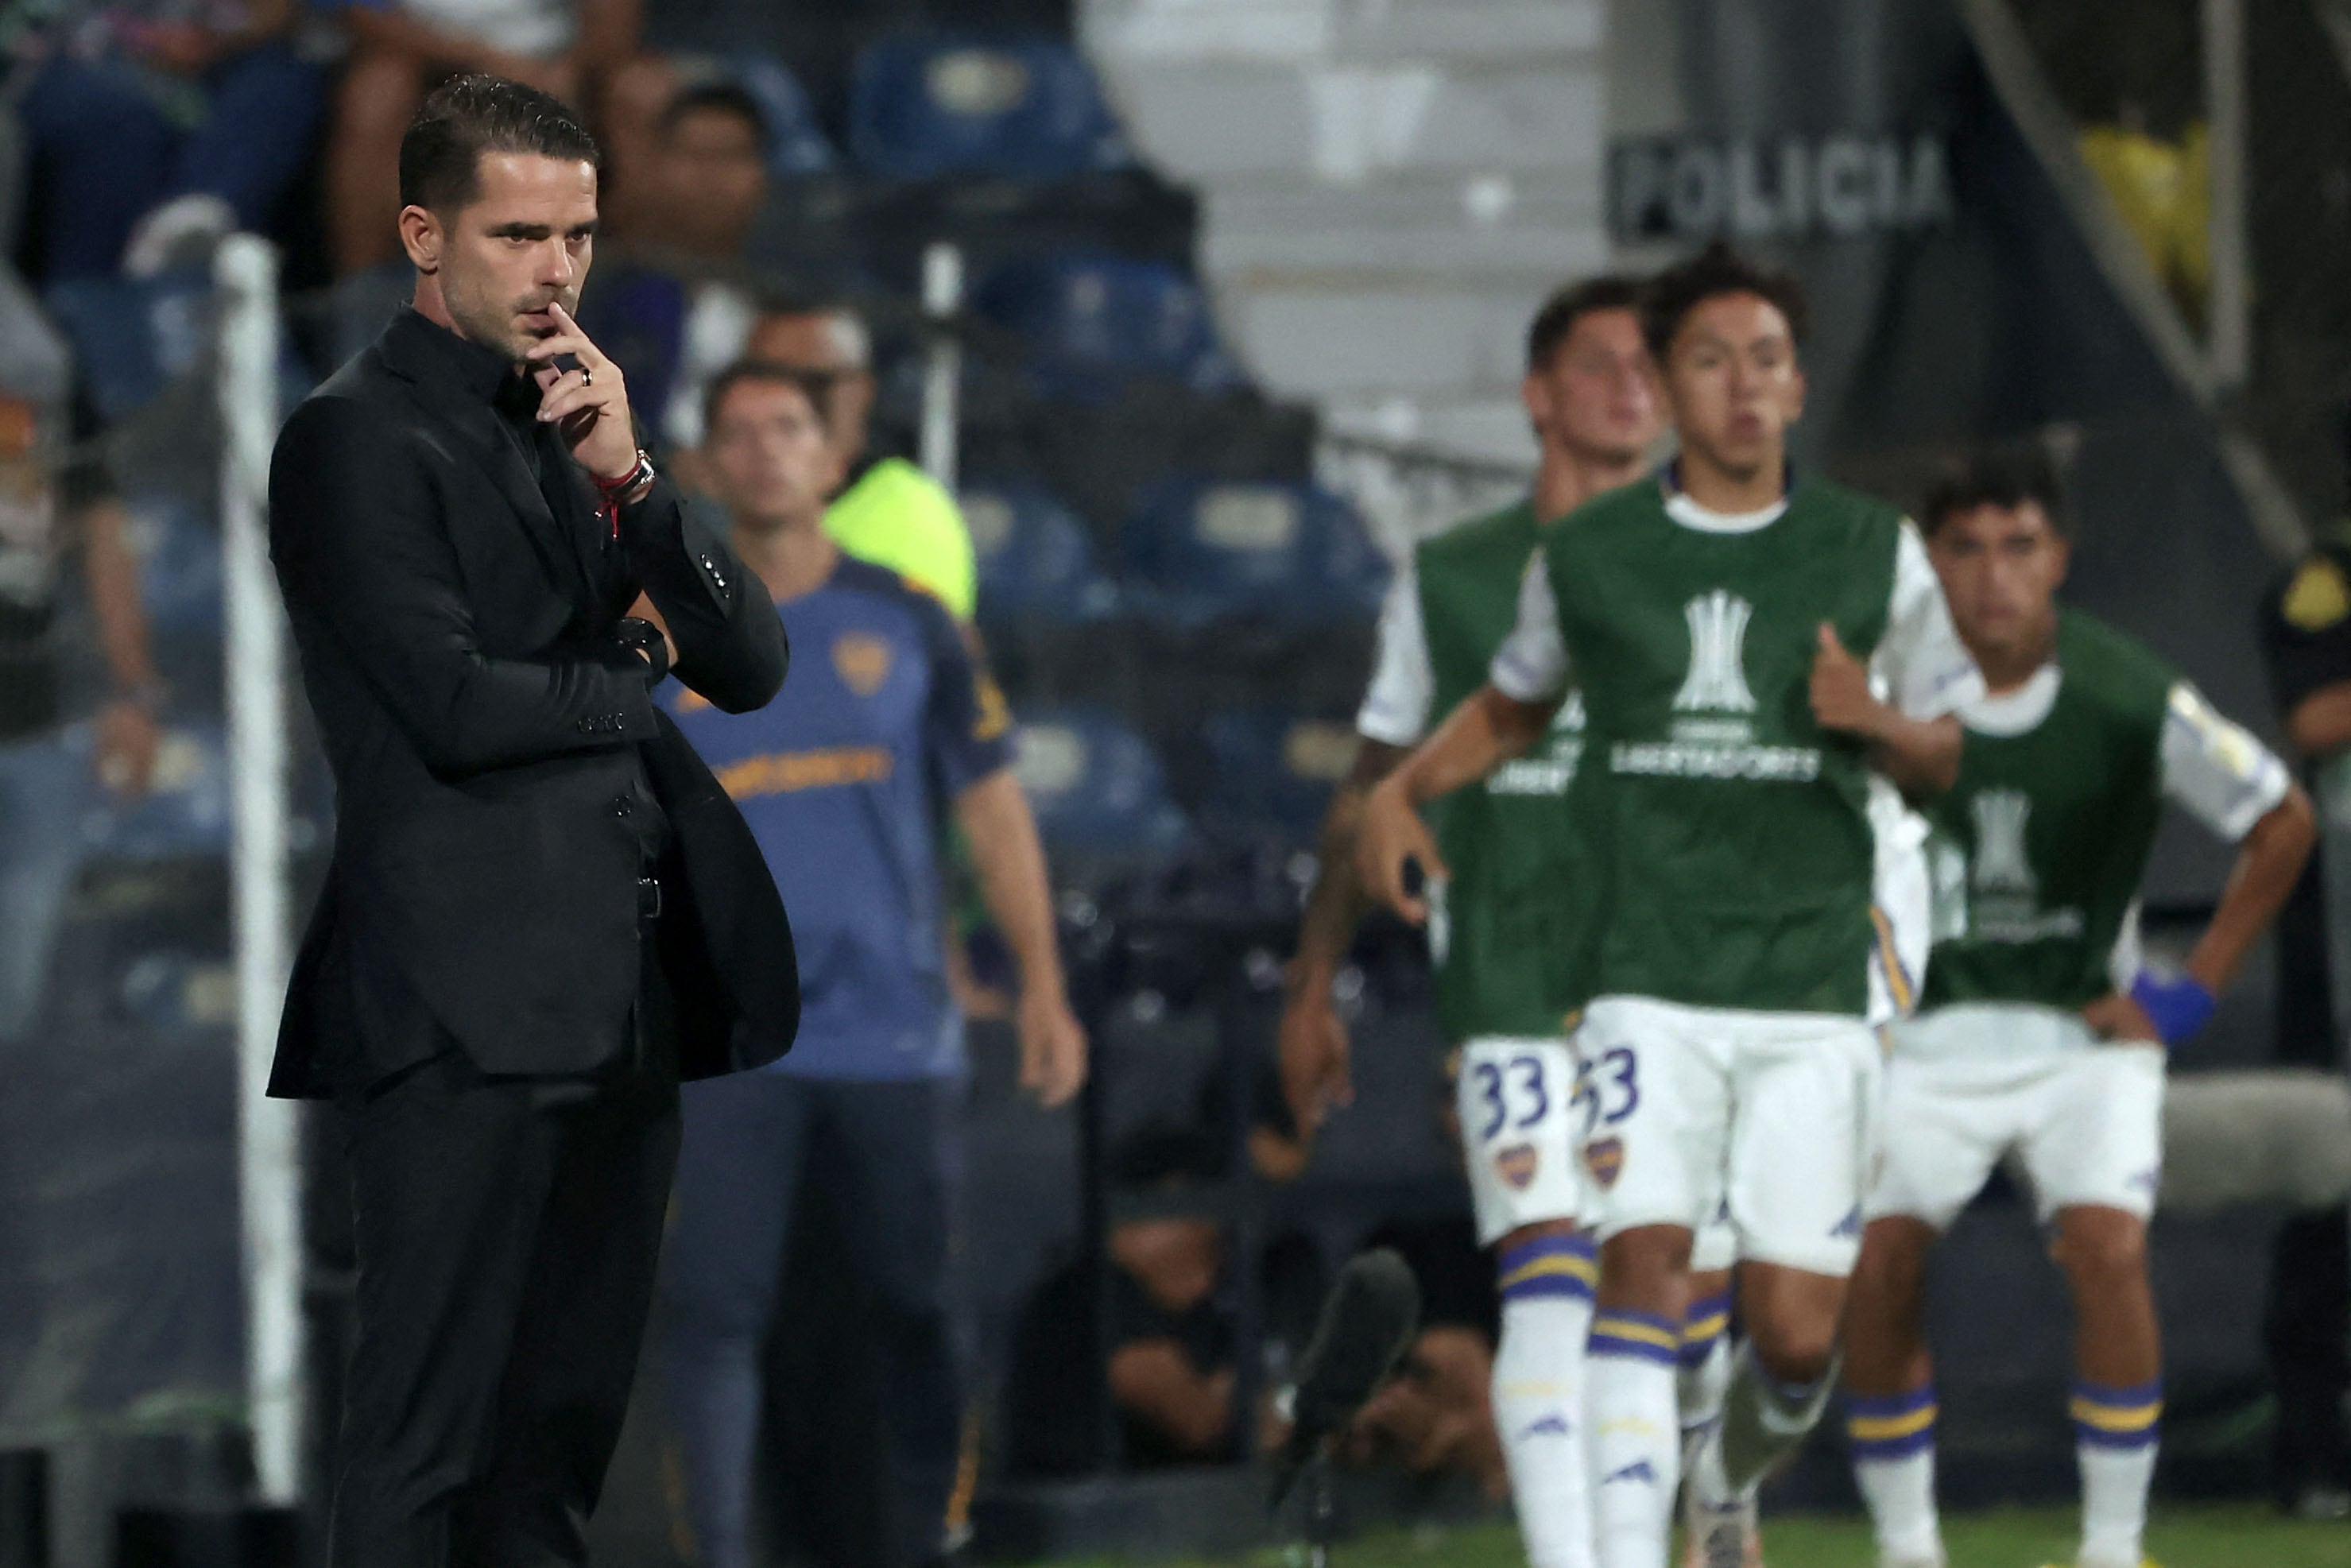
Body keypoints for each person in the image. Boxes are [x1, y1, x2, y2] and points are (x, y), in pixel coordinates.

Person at [1356, 243, 1983, 1568]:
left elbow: (1946, 748)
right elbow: (1515, 702)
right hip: (1638, 970)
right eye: (1709, 360)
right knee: (1635, 1271)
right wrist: (1402, 789)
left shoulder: (1875, 550)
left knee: (1795, 1335)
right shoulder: (1587, 557)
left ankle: (1729, 1476)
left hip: (1811, 975)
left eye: (1765, 358)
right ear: (1670, 388)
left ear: (1798, 386)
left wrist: (1877, 721)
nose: (1743, 385)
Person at [264, 75, 793, 1567]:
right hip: (457, 1003)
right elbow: (450, 704)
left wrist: (630, 475)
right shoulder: (353, 439)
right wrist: (633, 669)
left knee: (554, 1449)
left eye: (576, 234)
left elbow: (750, 665)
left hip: (616, 1005)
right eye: (519, 234)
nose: (558, 270)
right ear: (425, 235)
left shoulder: (575, 430)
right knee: (426, 1442)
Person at [1841, 448, 2314, 1568]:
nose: (1992, 576)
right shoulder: (1880, 692)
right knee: (1879, 1264)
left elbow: (2281, 817)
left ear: (2056, 557)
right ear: (1930, 562)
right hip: (1919, 1038)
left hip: (2077, 1040)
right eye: (1963, 547)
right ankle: (1907, 1548)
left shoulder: (2124, 691)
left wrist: (2190, 991)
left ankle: (2112, 1546)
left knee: (2105, 1249)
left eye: (2017, 546)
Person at [656, 360, 1085, 1568]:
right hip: (729, 1039)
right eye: (733, 433)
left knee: (915, 1304)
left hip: (894, 1030)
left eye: (783, 427)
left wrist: (1042, 983)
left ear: (830, 457)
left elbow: (993, 808)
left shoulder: (908, 618)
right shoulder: (660, 634)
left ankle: (926, 1535)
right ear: (709, 466)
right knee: (715, 1316)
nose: (760, 451)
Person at [1276, 274, 1667, 1568]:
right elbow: (1364, 788)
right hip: (1508, 988)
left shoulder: (1718, 567)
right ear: (1538, 395)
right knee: (1550, 1283)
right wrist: (1310, 982)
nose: (1634, 386)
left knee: (1686, 1313)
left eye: (1649, 365)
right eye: (1604, 363)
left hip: (1688, 990)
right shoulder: (1451, 581)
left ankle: (1703, 1534)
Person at [0, 264, 161, 1043]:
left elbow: (100, 522)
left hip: (42, 719)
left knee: (19, 988)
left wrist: (131, 691)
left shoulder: (38, 344)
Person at [2253, 497, 2351, 1519]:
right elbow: (2316, 719)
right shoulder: (2316, 587)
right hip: (2336, 962)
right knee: (2329, 1193)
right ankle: (2311, 1451)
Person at [327, 0, 648, 276]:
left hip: (552, 55)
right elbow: (362, 13)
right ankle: (364, 293)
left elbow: (613, 20)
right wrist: (483, 61)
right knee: (376, 98)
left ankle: (629, 289)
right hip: (420, 53)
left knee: (638, 93)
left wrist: (573, 68)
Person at [11, 0, 325, 281]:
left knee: (284, 82)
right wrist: (146, 42)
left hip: (211, 75)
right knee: (119, 119)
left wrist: (214, 43)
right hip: (83, 63)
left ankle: (191, 224)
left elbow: (277, 16)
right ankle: (94, 302)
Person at [746, 298, 978, 619]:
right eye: (762, 381)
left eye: (812, 383)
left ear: (860, 392)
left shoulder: (910, 512)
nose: (786, 403)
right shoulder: (707, 500)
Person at [575, 80, 768, 459]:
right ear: (656, 166)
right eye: (694, 154)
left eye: (731, 154)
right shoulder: (593, 290)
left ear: (762, 174)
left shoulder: (787, 299)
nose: (712, 174)